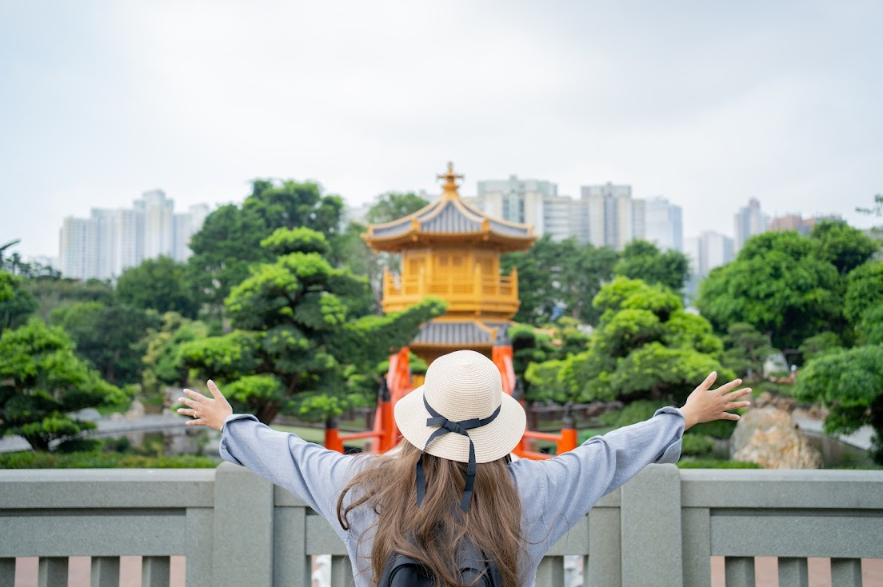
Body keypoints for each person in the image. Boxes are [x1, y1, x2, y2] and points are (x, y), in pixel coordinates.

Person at [178, 349, 751, 587]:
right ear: (499, 421)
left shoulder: (363, 485)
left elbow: (292, 455)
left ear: (417, 417)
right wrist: (682, 417)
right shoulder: (537, 487)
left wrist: (230, 422)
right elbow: (607, 455)